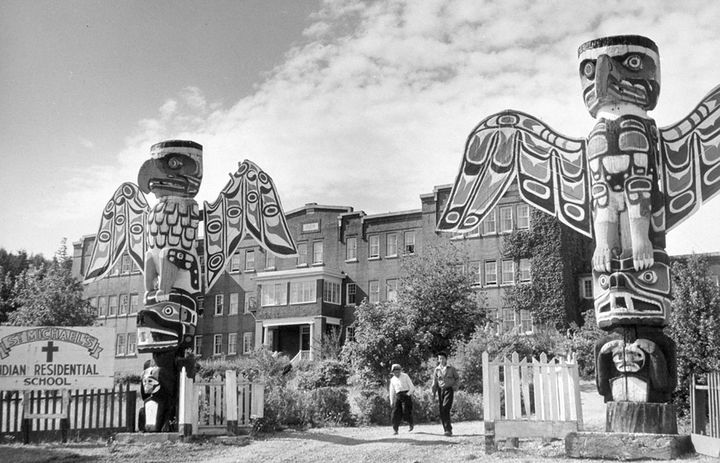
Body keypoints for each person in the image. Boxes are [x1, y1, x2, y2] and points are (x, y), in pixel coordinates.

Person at [431, 352, 460, 436]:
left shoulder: (451, 368)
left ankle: (448, 430)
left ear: (446, 359)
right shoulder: (437, 369)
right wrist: (433, 393)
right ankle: (446, 429)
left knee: (445, 408)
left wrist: (455, 387)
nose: (441, 360)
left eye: (443, 358)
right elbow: (435, 382)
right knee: (442, 410)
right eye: (439, 358)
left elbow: (457, 378)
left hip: (449, 390)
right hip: (441, 390)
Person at [388, 363, 415, 435]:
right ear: (392, 372)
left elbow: (412, 387)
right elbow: (392, 391)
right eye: (395, 372)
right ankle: (395, 429)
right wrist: (391, 401)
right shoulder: (392, 380)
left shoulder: (405, 376)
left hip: (406, 394)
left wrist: (407, 394)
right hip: (398, 395)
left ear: (400, 371)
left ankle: (410, 423)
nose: (396, 373)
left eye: (398, 372)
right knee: (395, 413)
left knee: (406, 411)